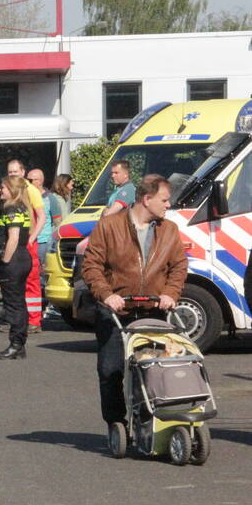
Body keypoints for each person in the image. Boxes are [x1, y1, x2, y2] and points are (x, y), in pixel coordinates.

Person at [81, 175, 186, 439]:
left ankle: (149, 419)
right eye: (164, 199)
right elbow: (91, 265)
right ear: (146, 199)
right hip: (116, 311)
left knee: (154, 368)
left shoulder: (169, 230)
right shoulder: (109, 226)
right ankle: (116, 422)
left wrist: (170, 293)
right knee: (110, 370)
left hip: (153, 311)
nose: (168, 204)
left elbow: (178, 267)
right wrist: (106, 294)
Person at [0, 176, 33, 360]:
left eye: (3, 187)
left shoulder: (11, 208)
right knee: (19, 302)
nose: (1, 190)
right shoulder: (22, 207)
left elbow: (14, 237)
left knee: (13, 304)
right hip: (23, 257)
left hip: (15, 259)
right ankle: (19, 344)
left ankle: (16, 344)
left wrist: (5, 261)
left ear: (12, 189)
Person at [6, 159, 46, 332]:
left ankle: (34, 321)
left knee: (31, 280)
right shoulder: (9, 191)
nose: (12, 175)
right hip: (16, 239)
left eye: (15, 172)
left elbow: (42, 216)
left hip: (28, 239)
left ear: (23, 172)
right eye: (10, 172)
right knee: (15, 281)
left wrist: (33, 237)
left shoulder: (31, 190)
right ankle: (19, 318)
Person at [27, 168, 63, 295]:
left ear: (40, 181)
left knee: (42, 272)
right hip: (28, 241)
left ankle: (43, 299)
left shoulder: (50, 199)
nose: (28, 182)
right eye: (27, 179)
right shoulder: (25, 198)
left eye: (32, 180)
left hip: (43, 242)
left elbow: (58, 222)